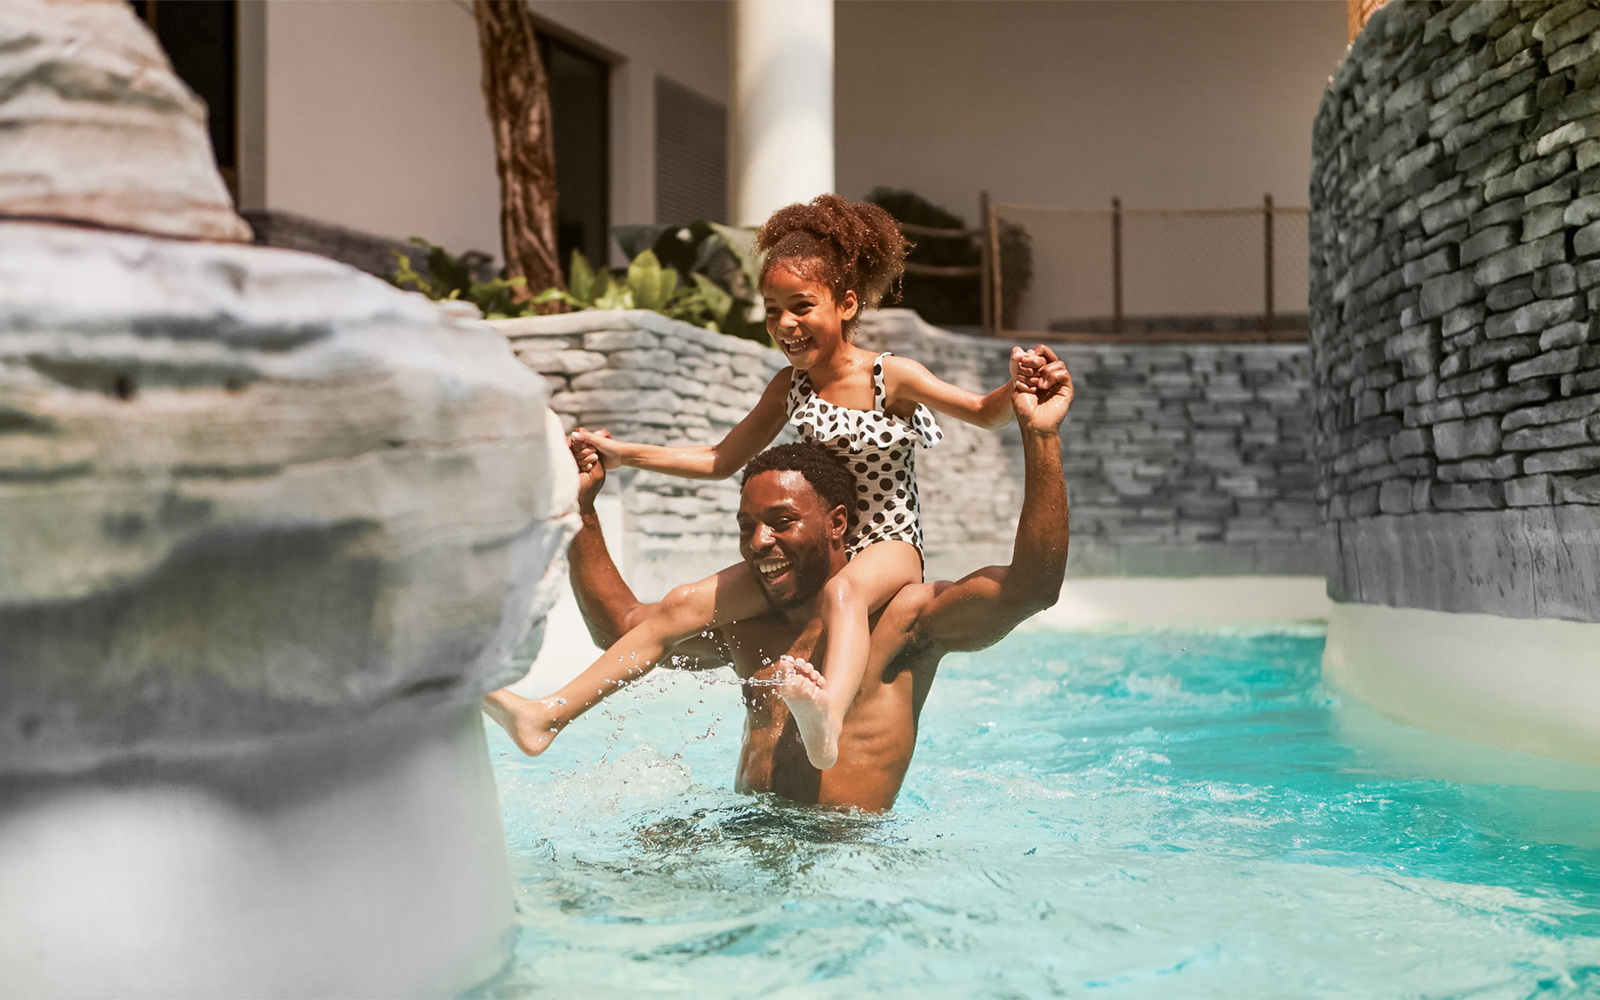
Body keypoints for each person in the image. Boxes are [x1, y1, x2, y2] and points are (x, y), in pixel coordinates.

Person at [563, 194, 1062, 770]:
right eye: (772, 310)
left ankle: (828, 713)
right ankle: (547, 715)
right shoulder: (790, 384)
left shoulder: (887, 375)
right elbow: (721, 458)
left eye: (801, 306)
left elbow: (981, 410)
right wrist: (622, 455)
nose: (785, 324)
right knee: (679, 604)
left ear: (846, 303)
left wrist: (1018, 391)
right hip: (825, 545)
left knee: (842, 593)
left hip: (889, 542)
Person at [481, 348, 1073, 811]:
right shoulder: (750, 625)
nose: (759, 542)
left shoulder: (906, 622)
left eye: (782, 522)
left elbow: (1032, 589)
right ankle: (545, 717)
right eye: (747, 526)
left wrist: (1038, 434)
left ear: (839, 524)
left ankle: (828, 717)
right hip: (743, 838)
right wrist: (584, 511)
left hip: (841, 865)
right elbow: (626, 632)